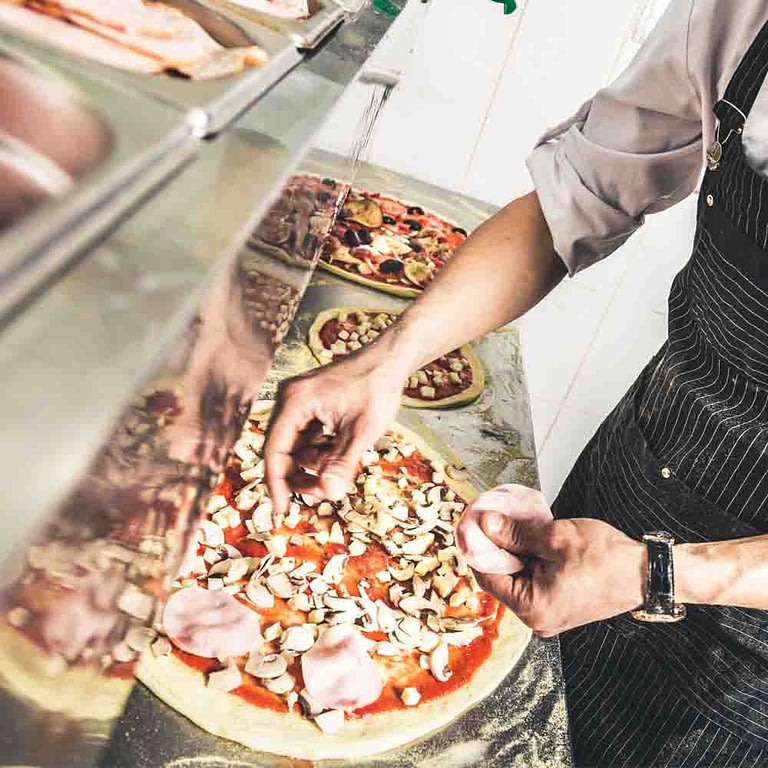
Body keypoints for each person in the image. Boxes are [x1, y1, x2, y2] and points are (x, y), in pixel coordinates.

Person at [264, 1, 768, 764]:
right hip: (622, 493)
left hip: (744, 666)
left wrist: (658, 572)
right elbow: (579, 197)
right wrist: (387, 360)